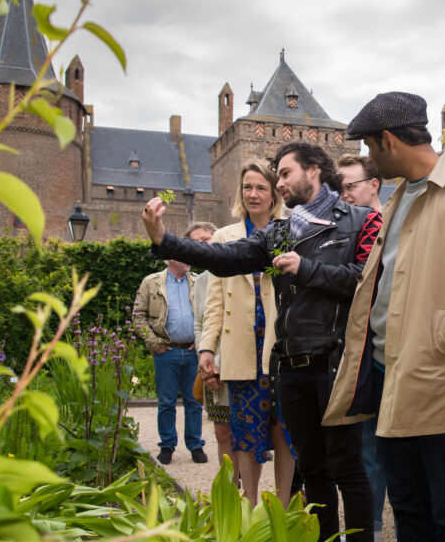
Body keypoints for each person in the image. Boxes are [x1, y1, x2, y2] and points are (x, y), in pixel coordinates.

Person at [142, 142, 382, 540]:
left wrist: (306, 268)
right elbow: (226, 256)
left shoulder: (361, 221)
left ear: (314, 170)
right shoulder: (283, 231)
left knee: (347, 466)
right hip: (290, 366)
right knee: (313, 468)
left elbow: (366, 282)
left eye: (285, 174)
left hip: (337, 364)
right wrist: (165, 241)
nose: (279, 183)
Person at [324, 92, 445, 542]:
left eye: (371, 146)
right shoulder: (396, 201)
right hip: (391, 379)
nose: (370, 158)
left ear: (389, 140)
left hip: (441, 378)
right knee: (409, 512)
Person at [198, 159, 295, 506]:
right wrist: (207, 348)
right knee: (245, 434)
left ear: (273, 195)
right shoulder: (225, 237)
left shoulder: (290, 231)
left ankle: (283, 510)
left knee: (284, 431)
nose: (253, 194)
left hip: (281, 349)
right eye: (247, 187)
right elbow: (214, 301)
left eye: (261, 188)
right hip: (241, 348)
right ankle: (249, 507)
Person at [133, 222, 213, 465]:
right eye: (182, 254)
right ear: (170, 259)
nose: (188, 258)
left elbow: (207, 314)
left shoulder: (197, 281)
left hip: (191, 352)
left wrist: (201, 345)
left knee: (193, 402)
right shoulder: (151, 282)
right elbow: (138, 316)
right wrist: (154, 343)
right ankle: (167, 445)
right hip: (165, 352)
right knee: (166, 402)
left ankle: (195, 445)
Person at [336, 153, 385, 541]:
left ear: (374, 185)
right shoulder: (344, 230)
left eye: (351, 185)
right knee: (364, 450)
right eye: (341, 187)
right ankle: (372, 528)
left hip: (391, 351)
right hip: (358, 354)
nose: (345, 194)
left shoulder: (391, 225)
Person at [187, 222, 233, 474]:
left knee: (253, 430)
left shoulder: (238, 269)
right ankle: (230, 488)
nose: (202, 246)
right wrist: (205, 361)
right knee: (221, 430)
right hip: (211, 363)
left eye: (206, 239)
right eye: (195, 243)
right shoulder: (201, 281)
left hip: (239, 360)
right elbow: (199, 323)